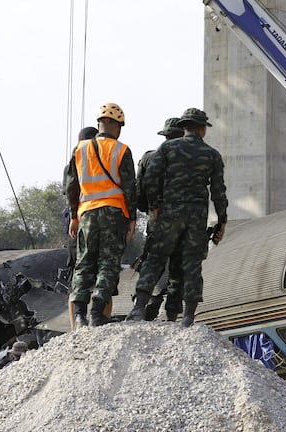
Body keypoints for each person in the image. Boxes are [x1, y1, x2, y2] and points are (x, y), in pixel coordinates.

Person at [126, 107, 227, 327]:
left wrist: (154, 206)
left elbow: (150, 178)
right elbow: (219, 192)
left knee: (155, 259)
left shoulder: (167, 148)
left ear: (184, 127)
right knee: (191, 265)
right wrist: (222, 221)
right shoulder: (212, 154)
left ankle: (138, 308)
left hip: (168, 214)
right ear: (202, 129)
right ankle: (188, 317)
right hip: (196, 218)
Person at [66, 102, 137, 329]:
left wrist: (74, 215)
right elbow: (129, 188)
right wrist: (132, 219)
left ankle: (79, 315)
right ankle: (97, 314)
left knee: (84, 263)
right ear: (118, 127)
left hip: (86, 213)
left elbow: (71, 186)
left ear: (99, 125)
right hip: (114, 214)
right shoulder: (122, 150)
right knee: (108, 264)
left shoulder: (80, 149)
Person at [135, 117, 185, 321]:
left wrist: (149, 210)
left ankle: (141, 306)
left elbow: (138, 193)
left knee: (153, 264)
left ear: (164, 135)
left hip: (157, 220)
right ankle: (171, 315)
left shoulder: (149, 158)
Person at [63, 126, 100, 330]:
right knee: (81, 277)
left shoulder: (87, 160)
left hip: (88, 222)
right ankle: (76, 328)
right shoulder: (77, 161)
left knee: (92, 278)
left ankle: (88, 326)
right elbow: (71, 192)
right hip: (81, 223)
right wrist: (75, 216)